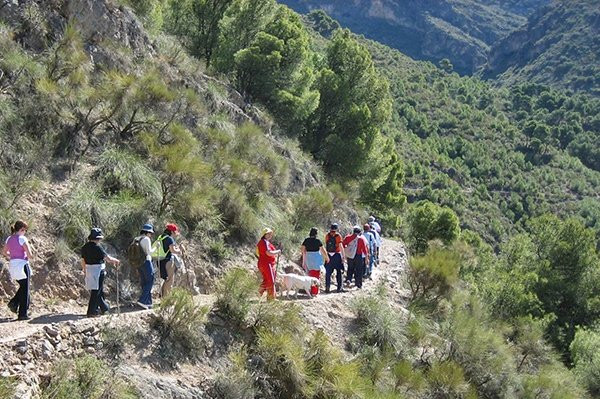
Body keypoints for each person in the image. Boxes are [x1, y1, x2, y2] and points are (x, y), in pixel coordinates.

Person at [81, 228, 120, 317]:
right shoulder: (97, 247)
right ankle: (92, 311)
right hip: (98, 271)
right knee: (96, 291)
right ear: (97, 238)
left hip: (89, 270)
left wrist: (84, 270)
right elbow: (107, 258)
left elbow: (83, 260)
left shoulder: (84, 247)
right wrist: (116, 261)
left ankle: (104, 308)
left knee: (97, 290)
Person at [3, 220, 33, 321]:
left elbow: (4, 252)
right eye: (24, 230)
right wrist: (27, 256)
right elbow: (29, 254)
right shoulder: (22, 238)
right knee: (25, 289)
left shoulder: (9, 238)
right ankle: (22, 313)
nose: (25, 232)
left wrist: (12, 256)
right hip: (23, 265)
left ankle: (14, 303)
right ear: (21, 229)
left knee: (23, 286)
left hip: (13, 264)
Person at [155, 223, 181, 299]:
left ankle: (161, 296)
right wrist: (179, 251)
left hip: (160, 261)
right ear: (171, 232)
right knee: (169, 280)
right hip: (168, 261)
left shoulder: (160, 237)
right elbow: (172, 250)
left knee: (164, 278)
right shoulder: (169, 239)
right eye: (175, 232)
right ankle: (166, 298)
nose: (175, 234)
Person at [301, 227, 329, 296]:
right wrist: (327, 258)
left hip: (308, 258)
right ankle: (314, 291)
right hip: (316, 258)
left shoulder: (306, 240)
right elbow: (323, 251)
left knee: (309, 274)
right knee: (316, 275)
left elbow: (302, 250)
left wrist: (304, 261)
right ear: (316, 234)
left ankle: (309, 290)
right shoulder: (317, 241)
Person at [256, 227, 280, 299]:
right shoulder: (264, 242)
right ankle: (270, 298)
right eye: (268, 234)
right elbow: (268, 253)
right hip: (266, 263)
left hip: (263, 263)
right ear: (264, 234)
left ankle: (258, 294)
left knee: (266, 280)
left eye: (270, 234)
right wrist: (278, 251)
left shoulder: (263, 242)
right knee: (270, 280)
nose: (270, 235)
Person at [136, 224, 155, 309]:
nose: (151, 235)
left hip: (138, 263)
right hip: (146, 261)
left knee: (144, 281)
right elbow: (149, 252)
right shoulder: (146, 239)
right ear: (148, 232)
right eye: (150, 233)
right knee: (150, 280)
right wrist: (156, 247)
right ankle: (142, 300)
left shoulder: (136, 238)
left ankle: (148, 302)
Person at [324, 223, 345, 293]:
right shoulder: (338, 236)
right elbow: (340, 246)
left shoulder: (327, 235)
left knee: (328, 273)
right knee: (339, 272)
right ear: (336, 228)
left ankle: (327, 287)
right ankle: (339, 287)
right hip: (336, 255)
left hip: (329, 255)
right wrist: (343, 256)